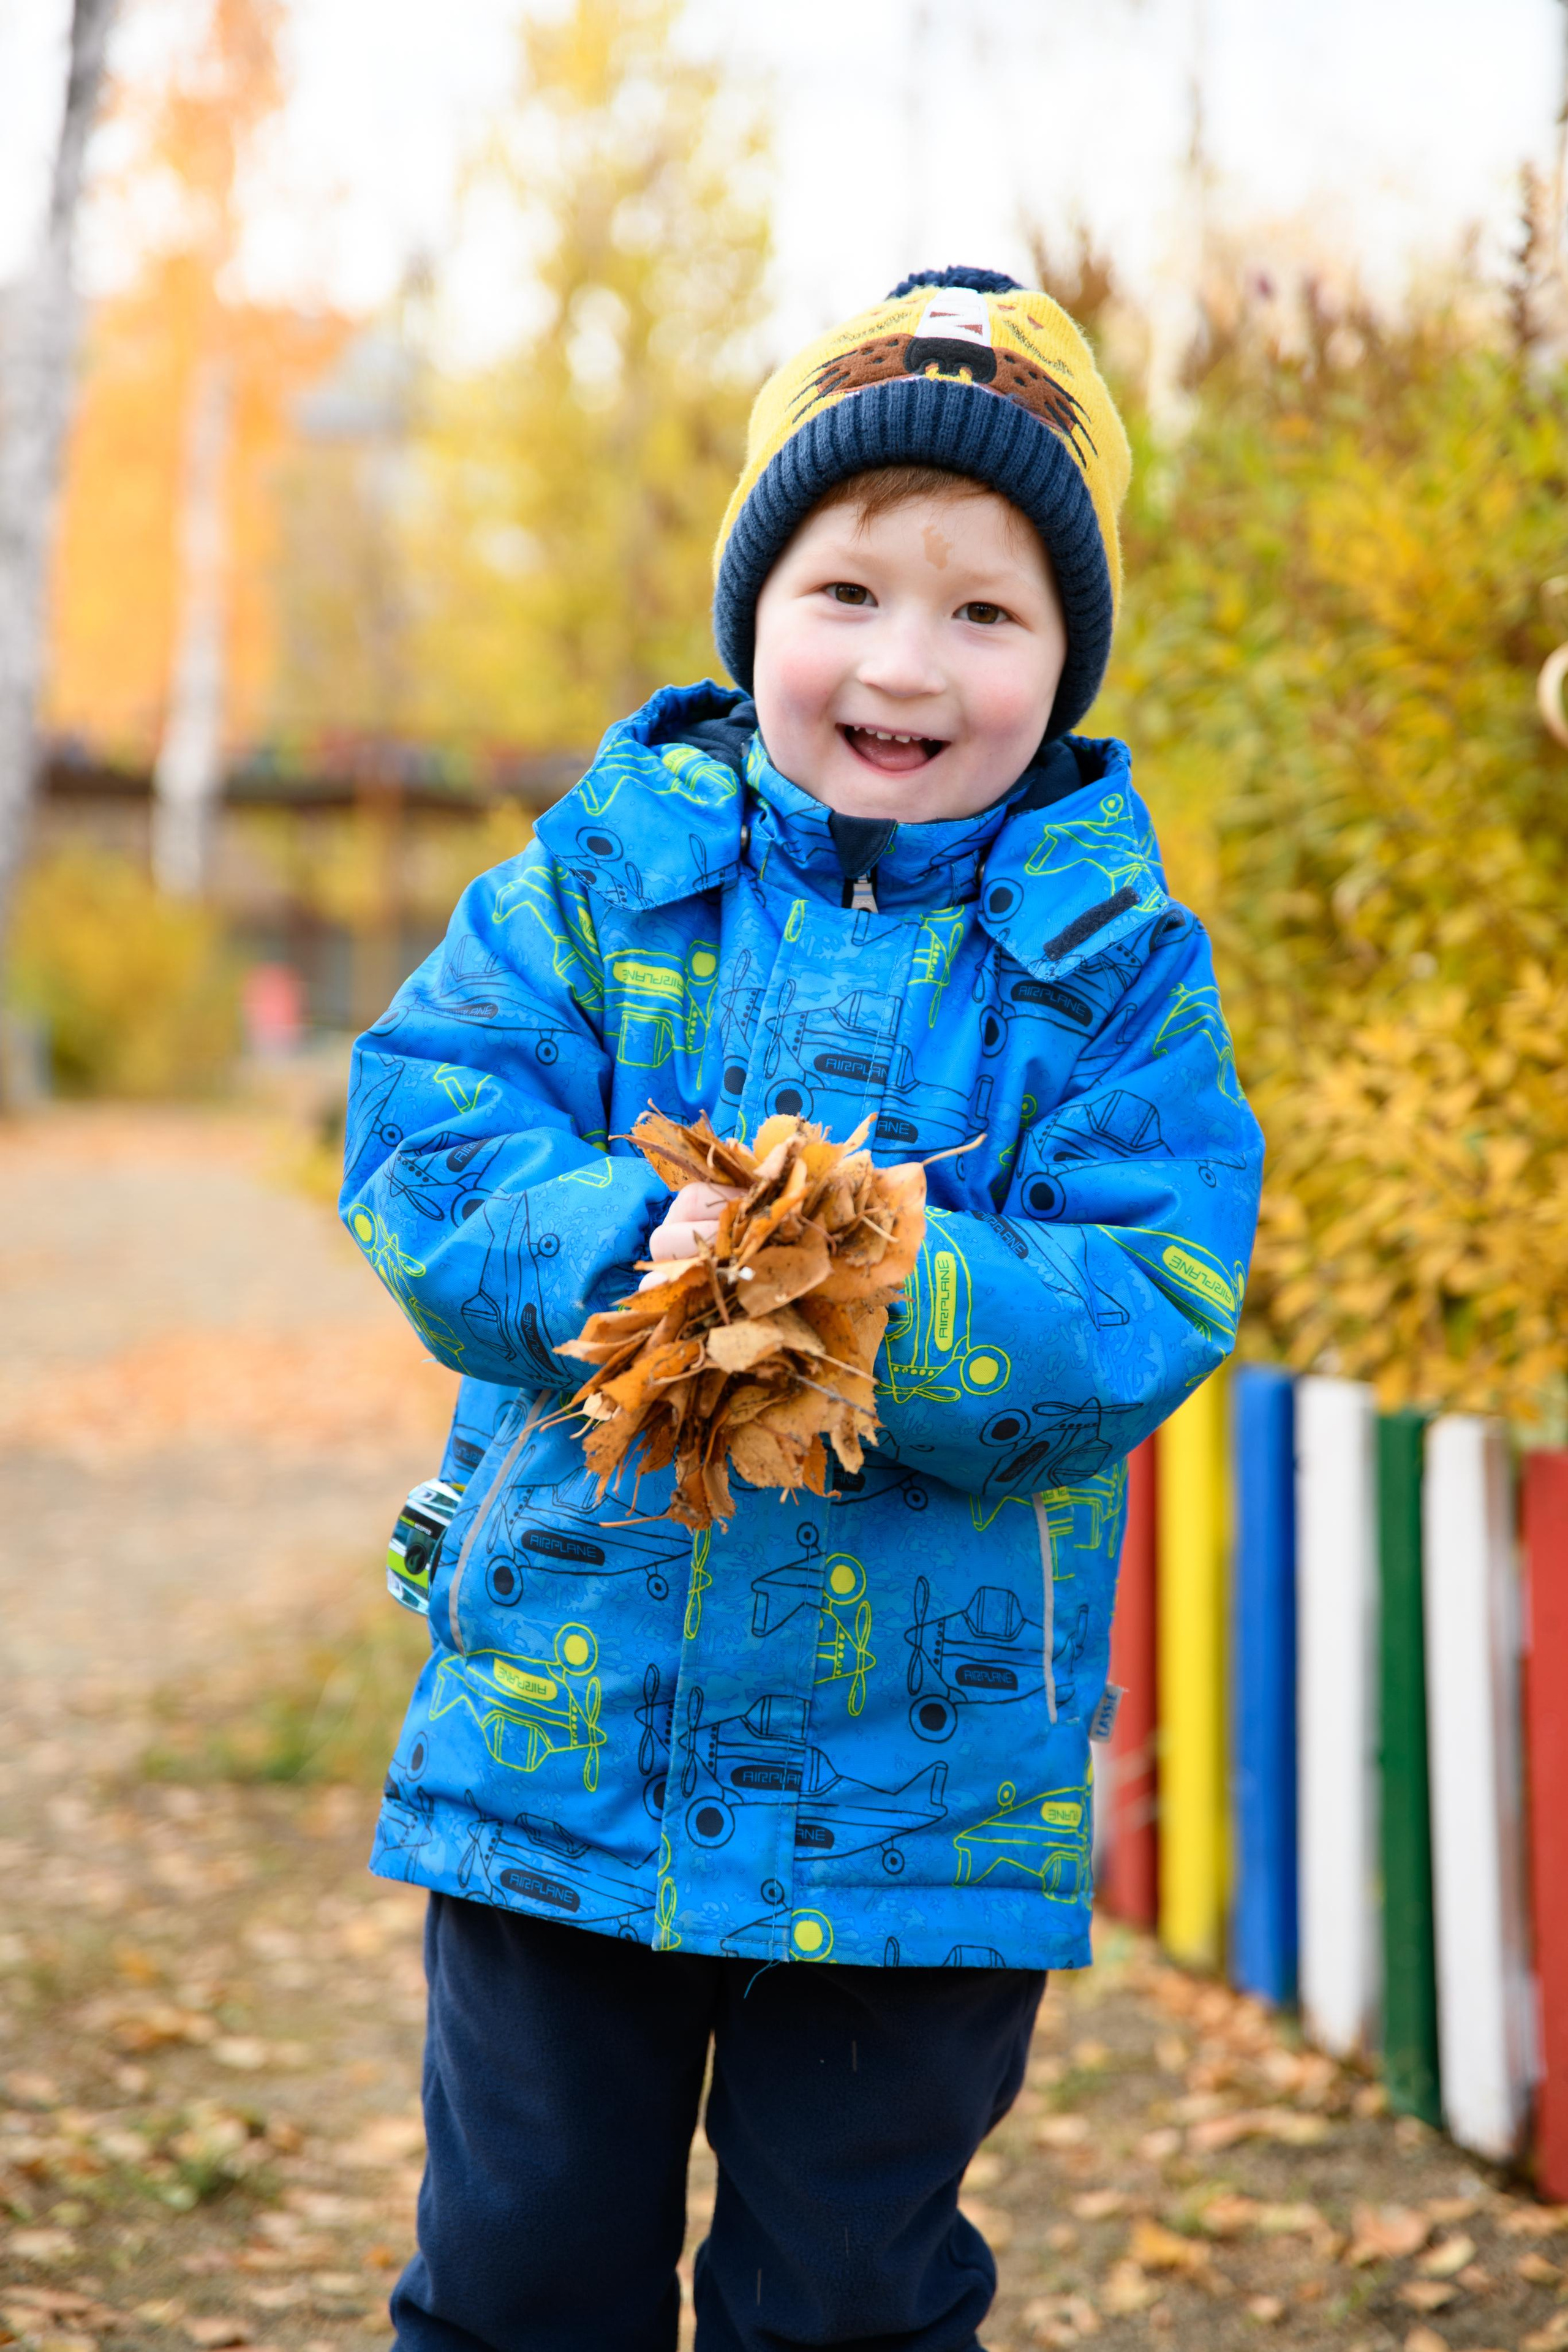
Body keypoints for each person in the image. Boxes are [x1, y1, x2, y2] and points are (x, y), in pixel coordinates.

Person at [341, 264, 1264, 2352]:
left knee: (844, 2294)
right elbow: (424, 1134)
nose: (903, 664)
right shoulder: (601, 878)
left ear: (1067, 651)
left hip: (917, 1800)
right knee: (516, 2275)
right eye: (848, 590)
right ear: (755, 605)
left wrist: (893, 1294)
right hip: (559, 1749)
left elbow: (1155, 1285)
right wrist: (618, 1252)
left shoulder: (1115, 965)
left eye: (986, 612)